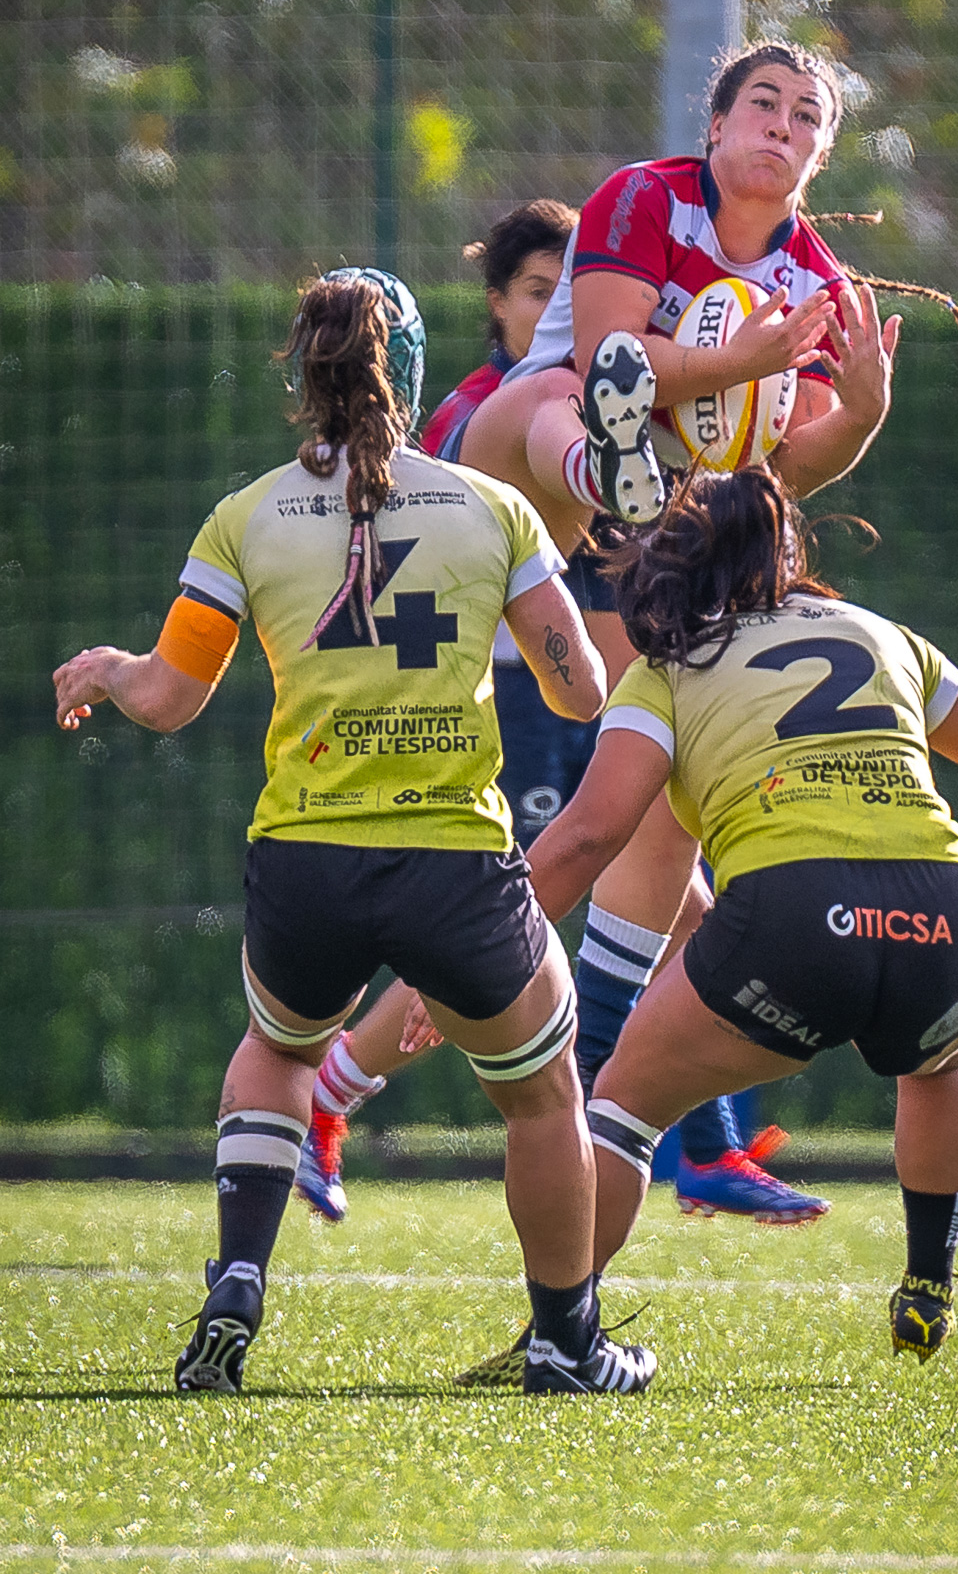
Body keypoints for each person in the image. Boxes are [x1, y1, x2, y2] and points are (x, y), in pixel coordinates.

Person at [52, 267, 655, 1398]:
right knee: (540, 1091)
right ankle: (564, 1344)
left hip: (305, 863)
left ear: (301, 372)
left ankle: (237, 1282)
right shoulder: (492, 509)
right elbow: (578, 693)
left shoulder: (246, 515)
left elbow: (172, 696)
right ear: (418, 378)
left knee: (277, 1053)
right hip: (455, 867)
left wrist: (112, 671)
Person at [517, 464, 958, 1365]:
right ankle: (928, 1280)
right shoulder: (877, 633)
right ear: (787, 556)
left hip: (794, 915)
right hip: (941, 904)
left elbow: (586, 835)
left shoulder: (667, 670)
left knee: (621, 1105)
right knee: (941, 1062)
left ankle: (560, 1339)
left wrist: (498, 940)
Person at [295, 196, 831, 1239]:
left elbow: (629, 594)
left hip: (601, 691)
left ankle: (706, 1144)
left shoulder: (615, 412)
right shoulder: (489, 416)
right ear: (499, 303)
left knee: (694, 918)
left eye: (570, 294)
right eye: (540, 294)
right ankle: (332, 1091)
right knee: (503, 937)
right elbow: (459, 577)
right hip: (515, 699)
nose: (560, 312)